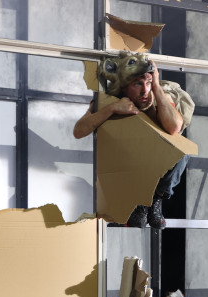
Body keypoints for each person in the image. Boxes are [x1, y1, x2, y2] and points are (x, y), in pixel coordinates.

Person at [73, 59, 194, 229]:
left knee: (182, 151)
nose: (145, 90)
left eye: (148, 82)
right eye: (137, 84)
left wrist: (157, 87)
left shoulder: (159, 96)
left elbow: (174, 127)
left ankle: (153, 200)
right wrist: (113, 108)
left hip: (155, 168)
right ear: (123, 86)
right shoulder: (112, 99)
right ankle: (139, 202)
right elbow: (79, 131)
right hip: (124, 173)